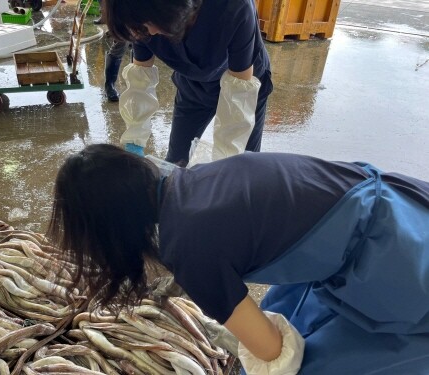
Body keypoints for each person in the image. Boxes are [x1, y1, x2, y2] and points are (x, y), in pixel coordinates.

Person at [47, 143, 429, 374]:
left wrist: (252, 344)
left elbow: (273, 353)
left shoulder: (191, 251)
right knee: (284, 306)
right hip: (401, 209)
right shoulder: (200, 178)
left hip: (401, 267)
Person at [103, 0, 273, 164]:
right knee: (176, 162)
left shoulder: (233, 7)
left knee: (240, 165)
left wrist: (226, 166)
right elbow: (140, 78)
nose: (146, 34)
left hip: (243, 83)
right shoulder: (139, 23)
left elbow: (239, 92)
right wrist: (135, 139)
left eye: (146, 26)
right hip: (193, 85)